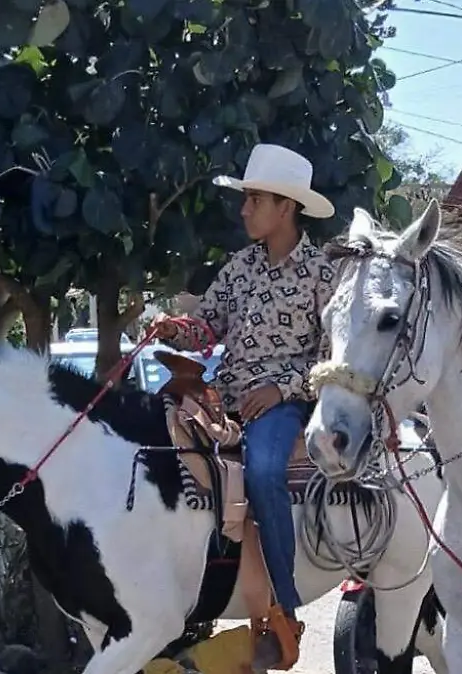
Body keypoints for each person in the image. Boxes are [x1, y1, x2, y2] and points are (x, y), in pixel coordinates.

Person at [152, 143, 336, 647]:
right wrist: (176, 328)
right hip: (224, 396)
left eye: (255, 199)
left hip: (282, 404)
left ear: (286, 207)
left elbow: (334, 358)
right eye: (247, 198)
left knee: (262, 472)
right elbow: (207, 326)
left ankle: (284, 600)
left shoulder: (323, 273)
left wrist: (282, 390)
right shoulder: (239, 267)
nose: (244, 208)